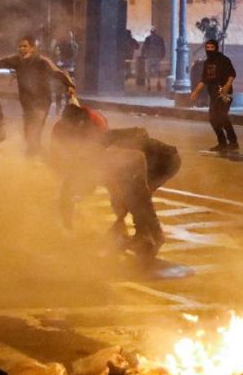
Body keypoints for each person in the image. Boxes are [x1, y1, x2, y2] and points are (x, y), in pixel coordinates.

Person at [50, 102, 177, 263]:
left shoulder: (103, 145)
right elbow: (69, 187)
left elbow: (137, 149)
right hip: (140, 162)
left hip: (163, 160)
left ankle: (151, 236)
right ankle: (141, 235)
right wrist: (67, 225)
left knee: (135, 196)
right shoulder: (91, 152)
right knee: (127, 193)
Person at [0, 35, 77, 155]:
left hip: (42, 103)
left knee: (33, 134)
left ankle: (35, 161)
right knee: (29, 136)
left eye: (25, 46)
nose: (21, 49)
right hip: (27, 104)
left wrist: (70, 85)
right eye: (20, 46)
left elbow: (58, 73)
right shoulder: (17, 61)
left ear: (33, 48)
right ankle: (38, 159)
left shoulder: (42, 61)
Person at [190, 38, 238, 151]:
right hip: (213, 95)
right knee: (213, 119)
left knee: (223, 116)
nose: (209, 50)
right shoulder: (207, 63)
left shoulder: (224, 60)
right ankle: (222, 143)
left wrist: (226, 87)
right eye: (207, 48)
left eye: (212, 47)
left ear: (216, 48)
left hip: (225, 94)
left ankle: (233, 142)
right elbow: (204, 80)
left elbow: (232, 74)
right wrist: (196, 92)